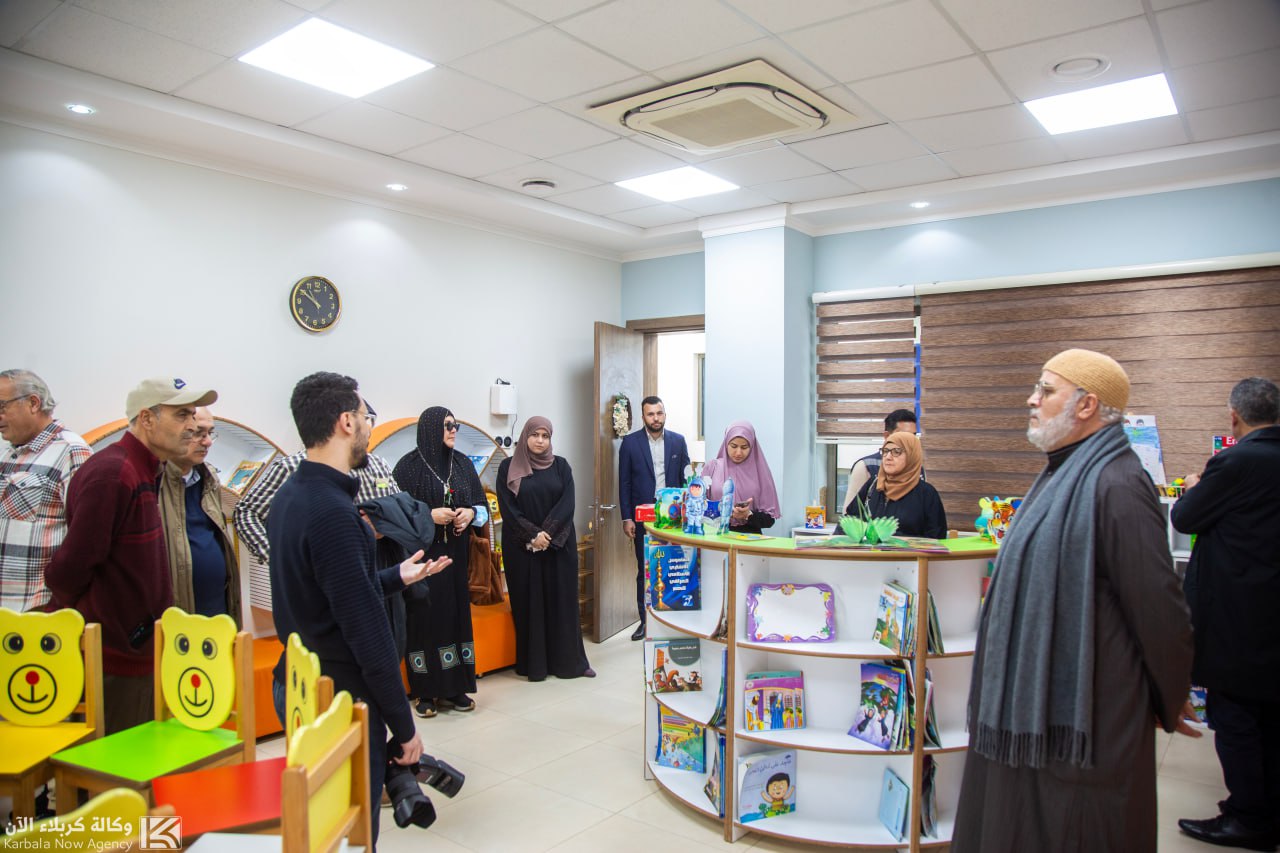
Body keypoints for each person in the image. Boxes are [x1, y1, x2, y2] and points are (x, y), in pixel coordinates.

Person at [952, 349, 1194, 853]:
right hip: (1036, 707)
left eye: (1045, 390)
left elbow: (1159, 608)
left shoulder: (1119, 483)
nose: (1031, 399)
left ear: (1087, 405)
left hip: (1088, 713)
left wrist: (1168, 695)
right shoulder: (1061, 473)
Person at [267, 372, 446, 848]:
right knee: (350, 833)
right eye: (367, 417)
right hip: (339, 699)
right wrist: (404, 728)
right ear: (346, 422)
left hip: (300, 683)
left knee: (322, 827)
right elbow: (369, 637)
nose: (368, 426)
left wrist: (394, 577)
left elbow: (321, 595)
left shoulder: (290, 496)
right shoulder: (334, 512)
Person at [45, 376, 216, 734]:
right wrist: (115, 628)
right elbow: (68, 569)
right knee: (116, 761)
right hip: (114, 659)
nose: (192, 425)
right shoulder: (114, 473)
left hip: (134, 651)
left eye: (192, 414)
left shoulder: (142, 469)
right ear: (147, 419)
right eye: (181, 415)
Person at [1172, 377, 1280, 851]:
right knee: (1270, 716)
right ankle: (1268, 810)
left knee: (1234, 717)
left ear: (1234, 416)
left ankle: (1248, 818)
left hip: (1237, 614)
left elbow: (1184, 518)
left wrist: (1194, 486)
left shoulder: (1234, 462)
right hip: (1271, 614)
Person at [393, 407, 487, 717]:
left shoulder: (462, 464)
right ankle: (425, 692)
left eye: (455, 424)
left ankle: (456, 688)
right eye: (447, 425)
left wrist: (469, 513)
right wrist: (428, 515)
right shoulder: (407, 468)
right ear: (430, 428)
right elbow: (395, 515)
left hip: (455, 558)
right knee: (424, 620)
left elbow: (481, 506)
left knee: (455, 617)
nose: (453, 430)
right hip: (422, 560)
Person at [495, 416, 594, 681]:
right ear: (525, 436)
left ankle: (571, 663)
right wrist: (532, 535)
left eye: (545, 436)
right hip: (523, 549)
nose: (540, 441)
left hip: (558, 546)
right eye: (535, 435)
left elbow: (567, 503)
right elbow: (508, 508)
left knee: (563, 603)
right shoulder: (508, 467)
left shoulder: (561, 466)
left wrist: (545, 535)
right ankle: (535, 665)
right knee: (530, 604)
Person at [0, 369, 91, 612]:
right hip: (7, 611)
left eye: (2, 406)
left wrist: (59, 599)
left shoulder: (71, 451)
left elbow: (86, 537)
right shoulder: (9, 454)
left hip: (38, 610)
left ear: (33, 403)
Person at [157, 408, 240, 622]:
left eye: (210, 433)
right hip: (175, 622)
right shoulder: (152, 482)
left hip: (216, 614)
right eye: (198, 433)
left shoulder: (208, 478)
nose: (208, 442)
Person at [618, 396, 690, 640]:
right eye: (650, 414)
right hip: (643, 518)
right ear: (643, 417)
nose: (656, 418)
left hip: (673, 518)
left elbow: (685, 480)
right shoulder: (630, 443)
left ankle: (673, 621)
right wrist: (627, 518)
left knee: (673, 565)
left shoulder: (678, 442)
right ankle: (645, 622)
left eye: (659, 413)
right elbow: (624, 483)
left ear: (665, 414)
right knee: (645, 569)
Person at [846, 432, 946, 538]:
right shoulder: (873, 485)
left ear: (911, 455)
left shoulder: (926, 494)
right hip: (870, 549)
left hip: (908, 549)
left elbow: (936, 537)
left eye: (896, 452)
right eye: (885, 451)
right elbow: (849, 521)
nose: (888, 457)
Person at [700, 421, 779, 535]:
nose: (738, 452)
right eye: (733, 446)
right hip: (714, 536)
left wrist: (748, 514)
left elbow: (769, 520)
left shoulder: (760, 473)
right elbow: (698, 505)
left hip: (749, 538)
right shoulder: (712, 467)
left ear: (752, 446)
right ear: (726, 443)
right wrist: (722, 510)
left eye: (744, 447)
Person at [841, 408, 919, 512]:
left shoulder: (917, 468)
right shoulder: (866, 466)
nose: (909, 441)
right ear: (887, 436)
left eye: (913, 436)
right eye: (903, 435)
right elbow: (849, 513)